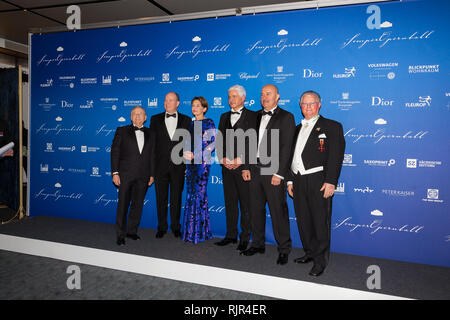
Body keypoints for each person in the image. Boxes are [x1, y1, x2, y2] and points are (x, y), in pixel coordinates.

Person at [287, 90, 345, 277]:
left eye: (312, 103)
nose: (308, 107)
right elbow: (291, 156)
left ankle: (321, 261)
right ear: (300, 106)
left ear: (319, 105)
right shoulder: (296, 128)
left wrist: (330, 182)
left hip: (319, 180)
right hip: (298, 180)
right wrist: (289, 180)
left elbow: (336, 156)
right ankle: (309, 253)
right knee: (304, 221)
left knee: (320, 222)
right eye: (304, 104)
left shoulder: (332, 126)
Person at [241, 84, 295, 265]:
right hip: (254, 170)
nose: (264, 97)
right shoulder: (255, 116)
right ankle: (257, 244)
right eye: (262, 94)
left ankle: (284, 249)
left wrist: (280, 174)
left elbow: (288, 148)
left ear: (277, 97)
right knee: (255, 210)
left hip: (273, 171)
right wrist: (246, 167)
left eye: (268, 94)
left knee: (278, 211)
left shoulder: (287, 117)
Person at [215, 85, 257, 251]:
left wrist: (241, 160)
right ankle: (231, 235)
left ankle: (245, 238)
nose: (231, 100)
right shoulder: (224, 116)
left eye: (234, 96)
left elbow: (254, 142)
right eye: (229, 96)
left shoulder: (254, 116)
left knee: (246, 205)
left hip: (244, 168)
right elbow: (219, 141)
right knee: (230, 203)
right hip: (227, 168)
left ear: (243, 98)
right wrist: (223, 158)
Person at [111, 106, 155, 246]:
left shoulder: (151, 133)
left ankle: (132, 231)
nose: (137, 117)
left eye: (140, 114)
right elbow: (115, 152)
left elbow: (153, 155)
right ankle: (120, 234)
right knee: (123, 205)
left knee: (137, 205)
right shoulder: (122, 131)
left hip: (143, 176)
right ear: (131, 117)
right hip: (125, 175)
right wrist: (115, 172)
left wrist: (152, 174)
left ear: (145, 117)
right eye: (134, 114)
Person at [149, 92, 191, 239]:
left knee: (176, 198)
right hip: (160, 167)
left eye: (171, 100)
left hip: (178, 167)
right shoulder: (155, 119)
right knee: (161, 198)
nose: (167, 103)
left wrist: (188, 166)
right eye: (166, 100)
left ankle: (175, 226)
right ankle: (161, 227)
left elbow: (189, 144)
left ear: (177, 103)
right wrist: (152, 170)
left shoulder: (186, 120)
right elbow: (152, 146)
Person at [181, 96, 215, 244]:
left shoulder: (209, 122)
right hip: (190, 164)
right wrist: (186, 156)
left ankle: (200, 233)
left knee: (199, 195)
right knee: (190, 195)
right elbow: (187, 143)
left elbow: (212, 144)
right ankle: (189, 231)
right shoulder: (190, 123)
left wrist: (197, 154)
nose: (194, 108)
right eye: (193, 105)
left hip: (202, 164)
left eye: (198, 105)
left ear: (204, 108)